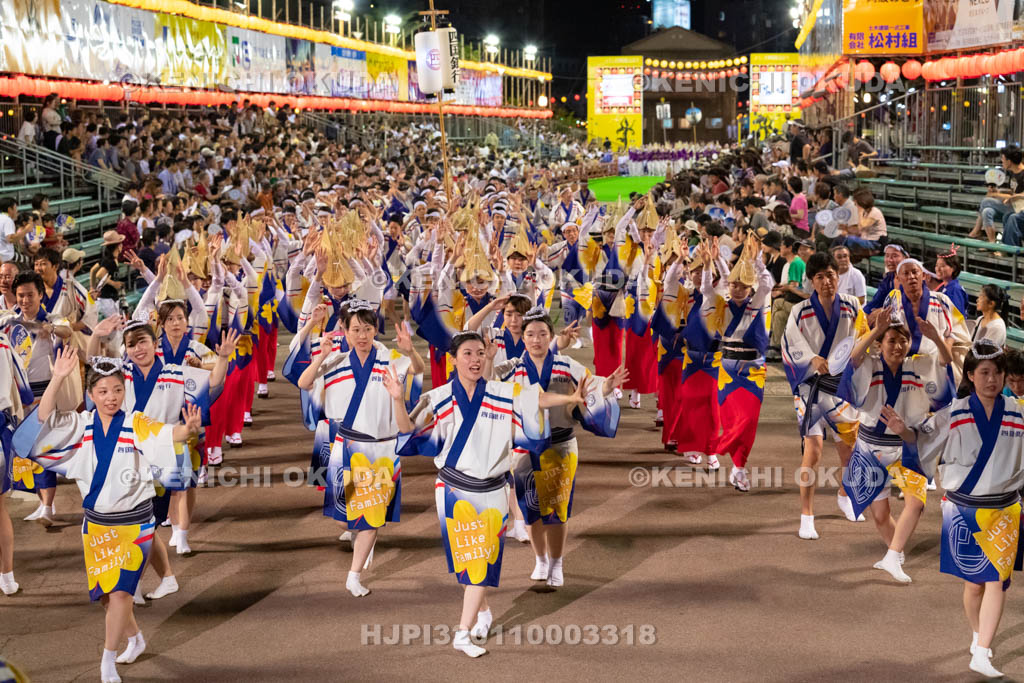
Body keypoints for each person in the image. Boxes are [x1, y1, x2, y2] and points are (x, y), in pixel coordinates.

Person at [389, 331, 589, 658]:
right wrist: (398, 400)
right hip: (453, 491)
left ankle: (462, 633)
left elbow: (536, 399)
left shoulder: (501, 391)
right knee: (468, 565)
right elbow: (407, 432)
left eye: (480, 353)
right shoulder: (438, 397)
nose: (475, 360)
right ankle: (482, 612)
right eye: (467, 354)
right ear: (453, 360)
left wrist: (569, 399)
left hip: (494, 490)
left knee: (481, 562)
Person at [12, 349, 202, 683]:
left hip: (136, 524)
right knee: (105, 596)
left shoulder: (136, 422)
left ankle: (107, 660)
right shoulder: (80, 424)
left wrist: (187, 430)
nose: (111, 397)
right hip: (97, 524)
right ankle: (135, 638)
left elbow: (166, 433)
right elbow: (43, 421)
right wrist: (57, 377)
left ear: (123, 391)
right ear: (91, 395)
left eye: (117, 390)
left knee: (120, 595)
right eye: (102, 391)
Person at [884, 340, 1024, 678]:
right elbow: (923, 441)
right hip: (963, 509)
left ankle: (981, 650)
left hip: (1005, 509)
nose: (992, 380)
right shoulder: (956, 411)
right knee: (975, 585)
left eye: (997, 373)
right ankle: (978, 635)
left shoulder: (1019, 411)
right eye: (985, 373)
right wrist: (904, 432)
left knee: (996, 580)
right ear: (972, 376)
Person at [288, 300, 423, 597]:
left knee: (372, 519)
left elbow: (417, 368)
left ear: (376, 329)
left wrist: (410, 349)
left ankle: (354, 575)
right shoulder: (334, 361)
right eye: (356, 329)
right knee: (342, 518)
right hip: (346, 446)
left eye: (368, 328)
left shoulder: (389, 358)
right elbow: (304, 382)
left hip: (382, 449)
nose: (362, 335)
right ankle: (355, 530)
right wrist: (320, 357)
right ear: (345, 332)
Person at [494, 308, 625, 586]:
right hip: (524, 450)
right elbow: (487, 386)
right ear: (523, 337)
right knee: (530, 509)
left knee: (556, 508)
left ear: (551, 337)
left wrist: (605, 388)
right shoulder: (512, 369)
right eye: (530, 334)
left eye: (542, 334)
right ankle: (540, 559)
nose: (536, 339)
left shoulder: (567, 365)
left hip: (561, 445)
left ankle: (557, 562)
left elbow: (592, 385)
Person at [839, 305, 953, 578]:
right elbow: (852, 362)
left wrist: (937, 338)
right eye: (892, 340)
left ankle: (892, 556)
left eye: (904, 339)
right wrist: (876, 330)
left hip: (907, 446)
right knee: (879, 515)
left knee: (916, 503)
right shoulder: (871, 364)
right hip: (870, 447)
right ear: (880, 344)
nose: (899, 346)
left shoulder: (918, 365)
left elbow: (946, 364)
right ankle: (895, 554)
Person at [782, 251, 869, 538]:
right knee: (814, 449)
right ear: (811, 281)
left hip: (842, 387)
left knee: (849, 451)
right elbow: (789, 344)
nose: (826, 281)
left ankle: (845, 495)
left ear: (838, 276)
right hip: (812, 388)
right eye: (819, 276)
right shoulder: (800, 311)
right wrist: (810, 358)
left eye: (830, 275)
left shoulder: (853, 306)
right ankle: (806, 515)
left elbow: (863, 338)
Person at [699, 235, 773, 491]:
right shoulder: (721, 306)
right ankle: (739, 470)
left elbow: (767, 284)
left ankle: (720, 449)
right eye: (733, 285)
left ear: (750, 289)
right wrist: (711, 264)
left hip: (754, 371)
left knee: (748, 421)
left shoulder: (757, 304)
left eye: (742, 286)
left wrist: (757, 260)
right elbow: (707, 290)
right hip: (728, 370)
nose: (737, 289)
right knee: (732, 421)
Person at [1, 271, 72, 525]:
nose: (25, 300)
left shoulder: (51, 318)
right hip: (18, 396)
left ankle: (48, 506)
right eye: (20, 295)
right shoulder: (9, 322)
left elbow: (66, 329)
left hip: (45, 394)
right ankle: (44, 504)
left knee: (44, 448)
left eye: (30, 294)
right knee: (27, 450)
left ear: (41, 295)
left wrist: (50, 328)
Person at [0, 329, 32, 596]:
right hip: (1, 426)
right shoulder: (3, 341)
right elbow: (24, 389)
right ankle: (7, 577)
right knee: (0, 508)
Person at [968, 145, 1024, 243]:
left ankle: (976, 231)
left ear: (1009, 161)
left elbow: (1018, 197)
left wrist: (995, 195)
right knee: (987, 211)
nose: (1001, 162)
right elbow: (1014, 192)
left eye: (1002, 159)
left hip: (1019, 210)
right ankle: (992, 243)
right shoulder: (1013, 172)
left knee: (986, 201)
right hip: (1011, 206)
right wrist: (999, 191)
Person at [767, 235, 806, 361]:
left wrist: (780, 289)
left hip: (798, 302)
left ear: (789, 248)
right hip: (793, 301)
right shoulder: (794, 262)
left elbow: (793, 286)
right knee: (778, 315)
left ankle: (769, 335)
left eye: (782, 246)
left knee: (776, 302)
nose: (780, 248)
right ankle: (776, 347)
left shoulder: (795, 263)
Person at [932, 246, 968, 317]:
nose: (938, 269)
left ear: (953, 268)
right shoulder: (943, 286)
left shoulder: (955, 290)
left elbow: (958, 318)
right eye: (937, 265)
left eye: (942, 266)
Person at [972, 284, 1009, 349]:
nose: (977, 300)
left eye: (981, 297)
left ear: (991, 304)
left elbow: (986, 354)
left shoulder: (997, 327)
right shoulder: (980, 319)